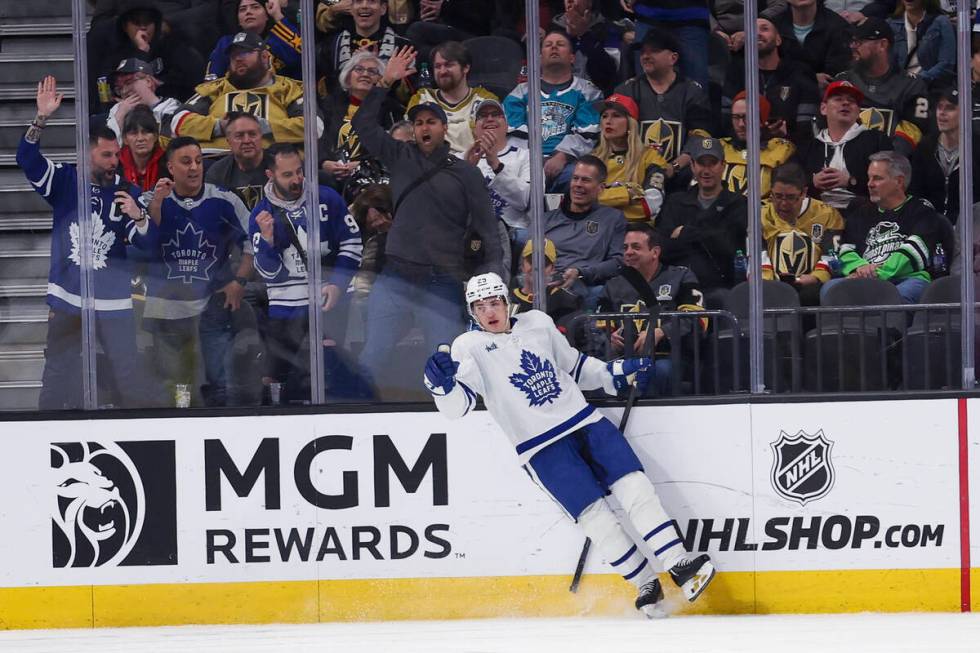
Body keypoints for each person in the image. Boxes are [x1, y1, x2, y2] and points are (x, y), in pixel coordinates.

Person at [423, 271, 716, 618]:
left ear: (507, 302)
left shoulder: (537, 323)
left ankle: (678, 563)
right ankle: (644, 584)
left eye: (494, 302)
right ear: (472, 312)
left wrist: (615, 373)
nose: (489, 311)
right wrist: (439, 385)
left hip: (586, 422)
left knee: (637, 489)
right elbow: (459, 408)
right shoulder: (467, 348)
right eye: (480, 306)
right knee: (596, 519)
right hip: (541, 448)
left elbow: (576, 368)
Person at [351, 47, 503, 397]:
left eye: (430, 121)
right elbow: (363, 125)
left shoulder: (465, 174)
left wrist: (493, 282)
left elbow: (486, 230)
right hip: (397, 276)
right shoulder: (400, 157)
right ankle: (356, 417)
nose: (423, 128)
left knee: (445, 360)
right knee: (374, 354)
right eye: (418, 122)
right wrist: (385, 81)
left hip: (443, 279)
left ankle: (453, 420)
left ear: (444, 127)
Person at [17, 76, 145, 410]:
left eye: (116, 155)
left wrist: (141, 216)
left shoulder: (127, 191)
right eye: (105, 155)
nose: (114, 161)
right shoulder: (65, 181)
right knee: (59, 373)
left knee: (127, 377)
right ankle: (45, 435)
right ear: (85, 153)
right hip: (68, 299)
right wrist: (41, 118)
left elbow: (147, 245)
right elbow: (27, 158)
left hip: (114, 302)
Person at [132, 136, 254, 406]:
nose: (194, 168)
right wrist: (156, 205)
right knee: (176, 386)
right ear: (170, 168)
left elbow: (252, 242)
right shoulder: (148, 200)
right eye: (186, 162)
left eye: (198, 161)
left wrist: (240, 281)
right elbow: (143, 244)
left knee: (220, 385)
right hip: (167, 306)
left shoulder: (224, 200)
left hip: (213, 303)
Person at [250, 143, 363, 403]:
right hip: (285, 309)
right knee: (278, 375)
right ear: (271, 175)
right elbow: (271, 275)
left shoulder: (327, 198)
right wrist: (267, 244)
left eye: (299, 172)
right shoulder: (261, 214)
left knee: (329, 373)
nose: (297, 179)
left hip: (329, 304)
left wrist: (337, 284)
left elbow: (353, 242)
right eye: (287, 175)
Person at [823, 151, 955, 304]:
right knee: (830, 289)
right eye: (869, 177)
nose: (869, 184)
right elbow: (845, 249)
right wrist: (860, 268)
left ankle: (891, 329)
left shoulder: (922, 211)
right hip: (864, 278)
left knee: (895, 297)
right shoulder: (860, 213)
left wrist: (876, 274)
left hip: (907, 279)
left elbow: (914, 252)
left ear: (899, 181)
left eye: (877, 178)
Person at [599, 224, 706, 396]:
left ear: (655, 252)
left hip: (669, 356)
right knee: (599, 372)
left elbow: (698, 319)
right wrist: (610, 338)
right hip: (624, 358)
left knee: (658, 371)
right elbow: (598, 325)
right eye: (625, 247)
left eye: (636, 247)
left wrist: (662, 331)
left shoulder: (681, 276)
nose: (628, 252)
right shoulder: (613, 284)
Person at [169, 32, 319, 154]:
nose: (238, 58)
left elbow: (315, 127)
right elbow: (178, 121)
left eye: (246, 52)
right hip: (215, 161)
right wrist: (220, 126)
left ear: (265, 57)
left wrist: (265, 127)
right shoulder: (215, 88)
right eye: (234, 55)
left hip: (272, 162)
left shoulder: (288, 88)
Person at [504, 29, 602, 193]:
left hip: (568, 164)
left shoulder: (588, 91)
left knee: (579, 177)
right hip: (526, 161)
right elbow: (513, 132)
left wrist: (562, 156)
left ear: (572, 58)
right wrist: (530, 161)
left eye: (560, 44)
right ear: (540, 58)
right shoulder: (520, 92)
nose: (554, 48)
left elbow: (587, 133)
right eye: (548, 45)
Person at [655, 138, 748, 308]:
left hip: (719, 287)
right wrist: (710, 234)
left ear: (723, 165)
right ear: (692, 166)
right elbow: (663, 248)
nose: (706, 170)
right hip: (677, 287)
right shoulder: (675, 202)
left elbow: (730, 247)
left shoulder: (738, 203)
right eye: (701, 164)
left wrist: (685, 233)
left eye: (712, 163)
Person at [613, 29, 712, 180]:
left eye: (654, 51)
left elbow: (700, 138)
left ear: (673, 58)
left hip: (681, 174)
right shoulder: (626, 90)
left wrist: (673, 168)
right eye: (643, 52)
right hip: (632, 172)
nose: (646, 56)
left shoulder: (692, 92)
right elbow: (615, 137)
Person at [87, 0, 205, 111]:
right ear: (125, 26)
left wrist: (159, 84)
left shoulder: (170, 46)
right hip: (125, 114)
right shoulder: (114, 51)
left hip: (165, 111)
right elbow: (111, 87)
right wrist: (141, 53)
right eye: (136, 22)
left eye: (148, 21)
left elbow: (191, 76)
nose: (143, 27)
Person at [836, 17, 930, 154]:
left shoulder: (912, 85)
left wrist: (883, 163)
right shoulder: (843, 81)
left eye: (859, 42)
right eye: (853, 41)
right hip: (844, 161)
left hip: (890, 166)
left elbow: (914, 130)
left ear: (882, 45)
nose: (853, 46)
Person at [721, 17, 821, 144]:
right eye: (752, 30)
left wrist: (786, 135)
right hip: (745, 151)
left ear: (778, 39)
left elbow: (808, 127)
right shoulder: (736, 72)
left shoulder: (801, 73)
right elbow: (726, 122)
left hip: (791, 152)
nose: (757, 33)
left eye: (765, 29)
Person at [796, 80, 893, 210]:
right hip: (815, 215)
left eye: (851, 101)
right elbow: (791, 184)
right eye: (838, 99)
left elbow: (890, 184)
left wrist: (851, 181)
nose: (846, 103)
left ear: (858, 111)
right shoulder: (809, 147)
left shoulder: (877, 141)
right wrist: (813, 182)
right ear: (823, 108)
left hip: (864, 214)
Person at [545, 156, 627, 308]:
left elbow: (618, 262)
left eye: (586, 180)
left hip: (582, 286)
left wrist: (581, 272)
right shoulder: (546, 219)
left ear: (601, 188)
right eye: (575, 178)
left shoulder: (613, 219)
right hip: (545, 283)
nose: (578, 185)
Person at [319, 50, 404, 193]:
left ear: (380, 80)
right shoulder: (329, 104)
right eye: (359, 69)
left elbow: (395, 149)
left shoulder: (391, 109)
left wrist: (363, 165)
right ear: (347, 77)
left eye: (372, 71)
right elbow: (318, 139)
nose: (365, 74)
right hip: (333, 175)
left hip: (375, 176)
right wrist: (324, 162)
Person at [761, 162, 846, 306]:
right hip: (768, 281)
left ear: (804, 192)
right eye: (777, 196)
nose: (783, 203)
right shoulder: (760, 213)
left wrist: (816, 277)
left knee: (811, 296)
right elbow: (756, 253)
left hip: (811, 283)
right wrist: (768, 279)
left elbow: (831, 253)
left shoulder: (827, 214)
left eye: (790, 197)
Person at [464, 98, 531, 262]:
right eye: (482, 116)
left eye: (496, 114)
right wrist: (466, 170)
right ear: (474, 128)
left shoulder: (525, 156)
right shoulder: (461, 159)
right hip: (470, 229)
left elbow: (526, 200)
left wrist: (495, 164)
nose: (489, 119)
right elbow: (449, 205)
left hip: (512, 231)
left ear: (507, 125)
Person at [405, 41, 498, 156]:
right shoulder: (421, 98)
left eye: (449, 65)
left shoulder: (485, 100)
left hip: (474, 168)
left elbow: (492, 145)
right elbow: (407, 140)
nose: (442, 71)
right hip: (430, 168)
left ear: (465, 68)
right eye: (438, 66)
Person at [592, 93, 668, 223]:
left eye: (616, 115)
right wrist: (627, 194)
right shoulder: (592, 159)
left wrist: (602, 200)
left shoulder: (651, 157)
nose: (608, 121)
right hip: (598, 230)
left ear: (630, 123)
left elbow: (651, 204)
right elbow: (582, 201)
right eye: (604, 116)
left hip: (636, 232)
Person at [910, 86, 980, 226]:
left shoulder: (977, 147)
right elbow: (915, 192)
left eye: (950, 108)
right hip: (931, 226)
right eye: (939, 107)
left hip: (971, 228)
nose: (941, 113)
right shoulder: (925, 147)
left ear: (967, 112)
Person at [317, 0, 414, 98]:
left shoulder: (403, 47)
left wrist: (381, 70)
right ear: (351, 7)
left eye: (372, 1)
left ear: (383, 8)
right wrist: (351, 67)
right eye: (358, 1)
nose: (364, 6)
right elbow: (325, 94)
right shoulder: (331, 46)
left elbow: (409, 97)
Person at [720, 92, 796, 198]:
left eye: (747, 117)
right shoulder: (719, 147)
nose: (741, 124)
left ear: (762, 120)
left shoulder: (781, 150)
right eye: (736, 117)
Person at [509, 238, 583, 343]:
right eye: (531, 261)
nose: (537, 268)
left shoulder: (565, 300)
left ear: (552, 269)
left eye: (544, 264)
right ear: (522, 265)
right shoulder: (508, 300)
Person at [208, 0, 302, 80]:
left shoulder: (278, 39)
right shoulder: (226, 43)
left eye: (255, 7)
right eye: (242, 9)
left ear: (266, 15)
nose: (248, 12)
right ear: (238, 21)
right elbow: (212, 80)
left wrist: (277, 15)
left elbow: (302, 54)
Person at [773, 0, 855, 88]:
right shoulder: (774, 25)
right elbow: (771, 68)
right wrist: (810, 77)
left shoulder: (838, 26)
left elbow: (835, 73)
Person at [548, 0, 622, 95]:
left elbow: (609, 74)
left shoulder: (608, 29)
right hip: (559, 98)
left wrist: (584, 35)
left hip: (596, 98)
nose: (569, 1)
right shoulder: (553, 29)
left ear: (590, 3)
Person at [205, 112, 270, 212]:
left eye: (252, 134)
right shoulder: (217, 173)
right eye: (239, 136)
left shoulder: (280, 165)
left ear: (261, 137)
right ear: (228, 141)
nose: (247, 140)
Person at [105, 58, 181, 142]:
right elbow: (107, 147)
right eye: (119, 88)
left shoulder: (171, 109)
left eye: (129, 82)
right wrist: (119, 117)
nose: (124, 91)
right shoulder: (119, 110)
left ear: (148, 81)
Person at [887, 0, 955, 89]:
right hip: (898, 88)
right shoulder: (890, 24)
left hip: (930, 87)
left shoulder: (941, 22)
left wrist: (917, 79)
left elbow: (946, 64)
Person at [118, 104, 167, 192]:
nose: (140, 139)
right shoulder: (116, 165)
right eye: (133, 133)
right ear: (125, 139)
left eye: (146, 132)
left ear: (156, 136)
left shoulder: (168, 163)